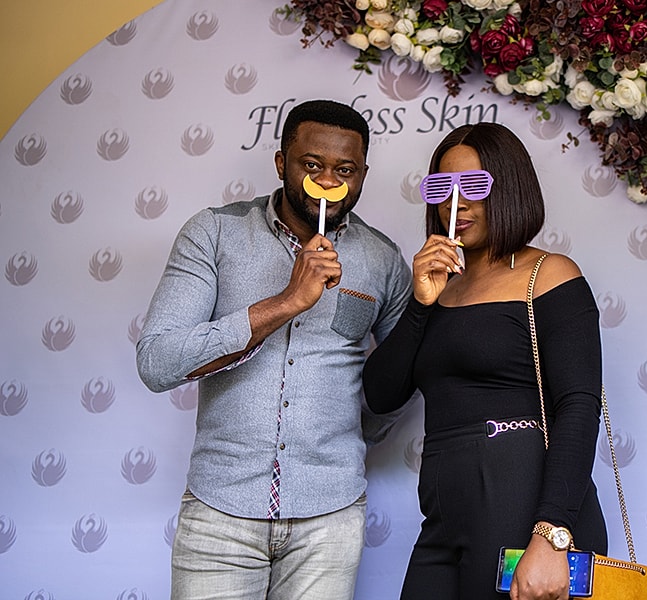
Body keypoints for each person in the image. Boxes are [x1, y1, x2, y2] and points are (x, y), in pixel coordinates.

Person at [136, 99, 412, 600]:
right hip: (219, 512)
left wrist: (349, 436)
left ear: (363, 175)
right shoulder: (214, 233)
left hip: (330, 516)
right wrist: (287, 302)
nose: (328, 181)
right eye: (312, 165)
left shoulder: (384, 259)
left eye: (344, 170)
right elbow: (158, 362)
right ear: (282, 163)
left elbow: (400, 378)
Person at [362, 122, 607, 600]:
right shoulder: (438, 287)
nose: (457, 203)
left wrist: (552, 534)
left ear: (510, 186)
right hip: (443, 519)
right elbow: (380, 393)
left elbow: (579, 407)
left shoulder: (549, 275)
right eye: (442, 188)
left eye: (474, 186)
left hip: (525, 513)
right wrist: (419, 303)